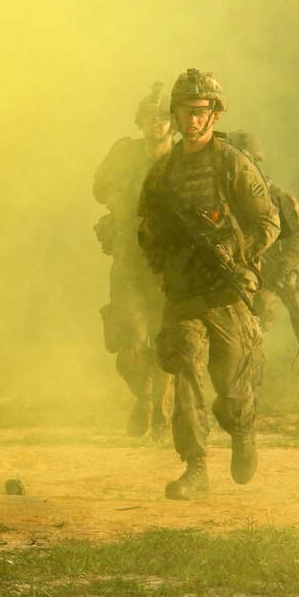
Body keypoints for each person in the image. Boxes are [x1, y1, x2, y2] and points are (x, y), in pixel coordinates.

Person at [137, 69, 280, 501]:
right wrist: (165, 258)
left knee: (233, 387)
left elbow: (267, 223)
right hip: (183, 292)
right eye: (185, 111)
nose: (192, 119)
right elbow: (145, 230)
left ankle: (241, 429)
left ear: (214, 114)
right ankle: (195, 466)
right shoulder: (162, 173)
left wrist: (236, 255)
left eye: (200, 111)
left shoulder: (233, 164)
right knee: (185, 372)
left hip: (227, 291)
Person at [93, 82, 176, 439]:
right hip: (129, 260)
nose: (156, 124)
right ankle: (141, 399)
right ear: (139, 121)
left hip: (171, 266)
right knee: (131, 341)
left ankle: (162, 408)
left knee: (166, 342)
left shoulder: (185, 158)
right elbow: (99, 189)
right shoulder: (125, 153)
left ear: (172, 122)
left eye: (163, 118)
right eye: (150, 117)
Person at [227, 130, 299, 352]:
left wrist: (283, 266)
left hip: (266, 275)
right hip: (231, 268)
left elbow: (298, 236)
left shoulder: (276, 196)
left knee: (255, 320)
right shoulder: (223, 192)